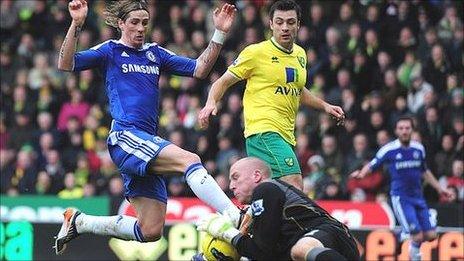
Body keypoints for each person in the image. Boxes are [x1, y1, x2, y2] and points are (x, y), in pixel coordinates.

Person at [54, 0, 240, 255]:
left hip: (145, 143)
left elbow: (200, 69)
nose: (140, 28)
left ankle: (81, 222)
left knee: (150, 230)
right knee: (190, 160)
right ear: (121, 24)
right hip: (125, 137)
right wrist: (76, 23)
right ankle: (234, 214)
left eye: (144, 23)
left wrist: (219, 32)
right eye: (134, 23)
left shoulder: (155, 53)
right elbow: (66, 63)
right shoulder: (110, 51)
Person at [198, 0, 345, 191]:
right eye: (280, 22)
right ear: (271, 24)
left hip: (285, 136)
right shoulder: (256, 53)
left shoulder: (300, 54)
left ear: (298, 25)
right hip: (264, 132)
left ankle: (244, 220)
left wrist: (325, 106)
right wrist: (210, 103)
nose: (285, 27)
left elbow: (297, 89)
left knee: (270, 193)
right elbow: (222, 82)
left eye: (291, 22)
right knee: (294, 184)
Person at [196, 157, 359, 261]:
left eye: (236, 177)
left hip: (331, 235)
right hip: (321, 248)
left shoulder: (266, 189)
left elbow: (262, 251)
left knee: (300, 249)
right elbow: (262, 253)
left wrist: (227, 232)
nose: (231, 186)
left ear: (256, 176)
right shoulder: (257, 208)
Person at [350, 116, 454, 261]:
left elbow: (425, 171)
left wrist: (440, 189)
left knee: (431, 236)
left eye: (407, 128)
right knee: (417, 236)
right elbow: (373, 164)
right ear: (396, 131)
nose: (404, 131)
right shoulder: (389, 149)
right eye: (401, 128)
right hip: (401, 197)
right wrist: (362, 173)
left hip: (418, 197)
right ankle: (413, 253)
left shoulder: (419, 148)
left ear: (412, 130)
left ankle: (401, 235)